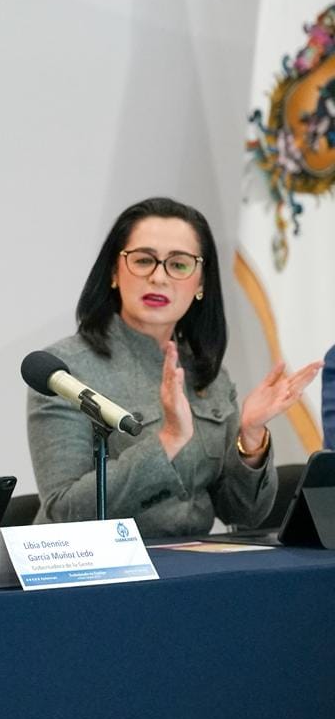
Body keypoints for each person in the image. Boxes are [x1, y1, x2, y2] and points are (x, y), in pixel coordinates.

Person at [27, 197, 320, 536]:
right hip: (93, 564)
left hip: (190, 560)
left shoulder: (206, 373)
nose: (159, 277)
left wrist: (251, 437)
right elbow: (64, 511)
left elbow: (244, 514)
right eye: (143, 261)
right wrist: (168, 440)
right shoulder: (65, 372)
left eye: (179, 265)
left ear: (201, 284)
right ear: (114, 272)